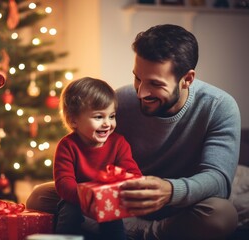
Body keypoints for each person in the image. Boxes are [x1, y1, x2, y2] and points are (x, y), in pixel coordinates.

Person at [26, 24, 241, 239]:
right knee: (40, 197)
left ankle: (141, 233)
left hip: (179, 206)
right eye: (138, 78)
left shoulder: (218, 106)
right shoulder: (122, 100)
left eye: (155, 84)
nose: (141, 92)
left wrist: (170, 191)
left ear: (187, 79)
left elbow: (219, 181)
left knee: (222, 215)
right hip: (123, 203)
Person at [54, 77, 142, 240]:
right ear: (73, 120)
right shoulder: (67, 146)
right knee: (68, 212)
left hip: (108, 198)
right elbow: (64, 183)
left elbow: (133, 174)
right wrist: (88, 197)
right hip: (76, 198)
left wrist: (120, 187)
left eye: (112, 116)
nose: (107, 123)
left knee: (113, 219)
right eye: (98, 117)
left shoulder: (119, 143)